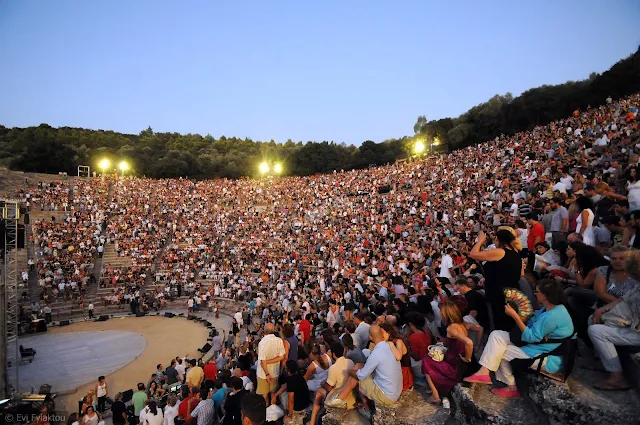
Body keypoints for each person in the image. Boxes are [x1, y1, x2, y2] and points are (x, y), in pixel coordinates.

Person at [465, 280, 574, 398]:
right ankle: (484, 371)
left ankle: (511, 386)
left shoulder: (552, 316)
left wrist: (515, 316)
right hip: (540, 345)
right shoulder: (550, 308)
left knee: (500, 352)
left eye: (537, 292)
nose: (535, 294)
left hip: (548, 357)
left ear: (545, 296)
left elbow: (531, 337)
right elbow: (533, 324)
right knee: (496, 335)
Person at [587, 251, 640, 391]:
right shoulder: (638, 284)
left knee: (596, 331)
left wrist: (625, 320)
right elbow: (624, 298)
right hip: (632, 322)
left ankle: (616, 378)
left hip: (636, 330)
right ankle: (604, 362)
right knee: (593, 318)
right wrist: (602, 310)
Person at [336, 325, 402, 411]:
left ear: (370, 337)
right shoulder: (389, 346)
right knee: (359, 366)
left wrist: (348, 371)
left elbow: (360, 376)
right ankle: (343, 397)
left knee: (357, 377)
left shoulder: (376, 353)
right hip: (396, 390)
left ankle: (363, 406)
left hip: (387, 396)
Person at [422, 302, 476, 404]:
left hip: (454, 365)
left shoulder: (451, 328)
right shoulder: (462, 324)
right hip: (457, 362)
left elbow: (469, 342)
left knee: (426, 361)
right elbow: (478, 330)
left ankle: (435, 395)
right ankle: (437, 387)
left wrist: (468, 358)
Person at [469, 228, 522, 331]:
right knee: (508, 324)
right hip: (510, 291)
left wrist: (480, 240)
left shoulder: (500, 252)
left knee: (501, 325)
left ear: (497, 239)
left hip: (499, 295)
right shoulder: (514, 252)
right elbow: (503, 270)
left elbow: (473, 254)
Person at [310, 340, 356, 424]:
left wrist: (323, 384)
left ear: (334, 354)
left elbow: (329, 387)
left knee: (319, 392)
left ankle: (312, 421)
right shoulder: (350, 362)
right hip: (350, 393)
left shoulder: (333, 368)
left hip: (339, 396)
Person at [256, 323, 286, 406]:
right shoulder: (279, 340)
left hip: (263, 374)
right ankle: (273, 412)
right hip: (275, 372)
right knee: (273, 393)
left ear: (264, 331)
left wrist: (267, 373)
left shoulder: (262, 343)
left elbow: (263, 362)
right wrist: (269, 362)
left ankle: (266, 415)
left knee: (264, 396)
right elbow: (281, 357)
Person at [380, 323, 413, 391]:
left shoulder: (398, 341)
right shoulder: (385, 342)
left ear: (388, 333)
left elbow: (398, 357)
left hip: (402, 370)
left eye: (381, 332)